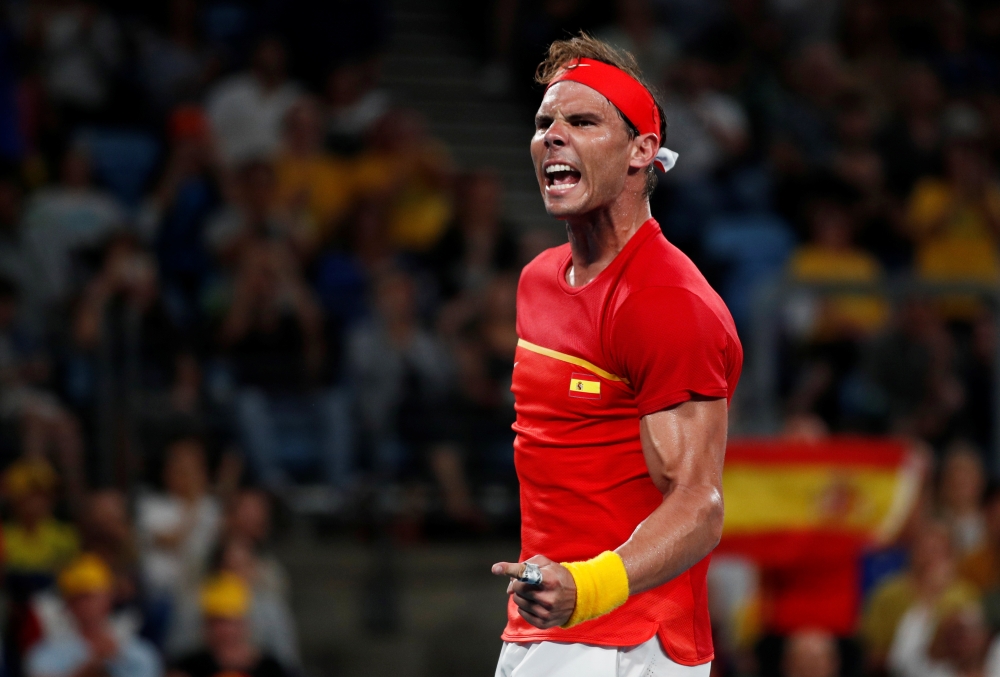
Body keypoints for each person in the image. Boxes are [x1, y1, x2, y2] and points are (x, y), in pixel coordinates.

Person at [490, 35, 742, 677]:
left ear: (642, 152)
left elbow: (699, 507)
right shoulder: (537, 281)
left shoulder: (664, 301)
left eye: (582, 121)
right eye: (545, 122)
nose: (553, 136)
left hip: (631, 646)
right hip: (543, 632)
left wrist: (589, 588)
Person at [25, 554, 162, 677]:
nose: (85, 605)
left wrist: (116, 660)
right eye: (76, 599)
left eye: (91, 597)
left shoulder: (140, 653)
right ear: (67, 605)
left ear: (109, 597)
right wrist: (85, 671)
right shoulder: (45, 655)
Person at [168, 573, 290, 677]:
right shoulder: (188, 667)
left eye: (230, 621)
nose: (224, 630)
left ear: (245, 622)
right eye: (216, 622)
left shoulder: (272, 669)